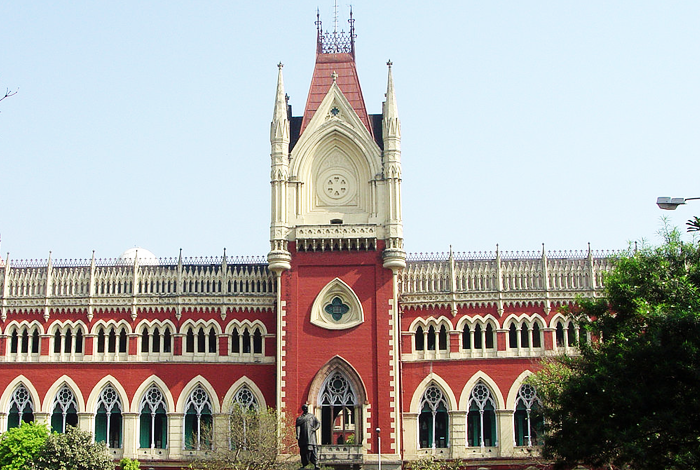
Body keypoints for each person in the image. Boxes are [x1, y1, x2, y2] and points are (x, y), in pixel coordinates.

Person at [296, 404, 320, 470]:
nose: (306, 409)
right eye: (304, 408)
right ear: (303, 409)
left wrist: (315, 428)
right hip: (303, 438)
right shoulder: (300, 418)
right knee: (304, 451)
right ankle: (304, 464)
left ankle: (316, 464)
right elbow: (298, 427)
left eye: (306, 408)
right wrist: (298, 435)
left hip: (311, 437)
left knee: (313, 451)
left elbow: (318, 423)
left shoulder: (312, 416)